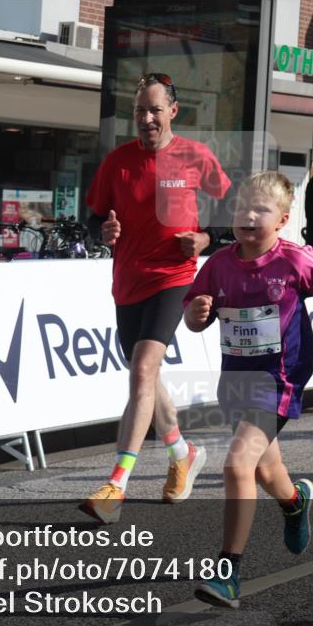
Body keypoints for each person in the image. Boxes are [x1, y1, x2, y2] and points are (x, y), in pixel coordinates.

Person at [182, 171, 313, 608]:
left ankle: (228, 573)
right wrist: (196, 313)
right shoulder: (219, 263)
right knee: (264, 469)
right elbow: (195, 315)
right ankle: (295, 502)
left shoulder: (294, 260)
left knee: (237, 464)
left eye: (261, 210)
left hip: (278, 379)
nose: (249, 216)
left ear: (282, 219)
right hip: (236, 380)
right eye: (242, 208)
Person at [81, 73, 231, 523]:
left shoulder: (195, 156)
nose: (146, 118)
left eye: (155, 110)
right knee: (145, 376)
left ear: (173, 112)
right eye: (139, 111)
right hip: (128, 282)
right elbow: (93, 218)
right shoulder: (117, 162)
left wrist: (206, 238)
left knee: (144, 369)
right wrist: (103, 231)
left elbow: (232, 211)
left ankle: (116, 485)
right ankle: (183, 454)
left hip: (174, 278)